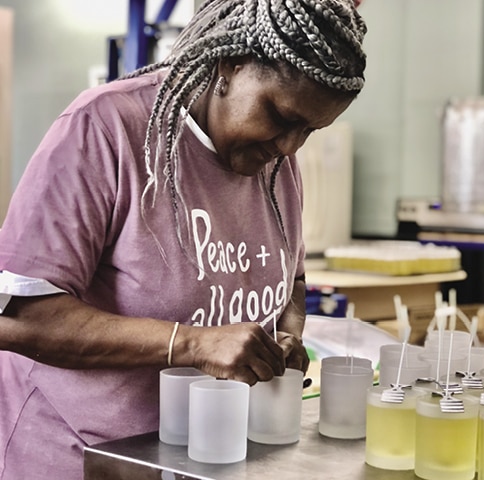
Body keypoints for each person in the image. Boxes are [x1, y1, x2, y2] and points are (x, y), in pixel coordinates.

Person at [0, 0, 366, 478]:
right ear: (230, 66)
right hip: (87, 456)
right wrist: (191, 344)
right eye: (279, 116)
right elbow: (18, 318)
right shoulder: (107, 129)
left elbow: (290, 280)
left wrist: (286, 336)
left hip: (203, 457)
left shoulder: (275, 162)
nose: (289, 146)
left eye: (309, 131)